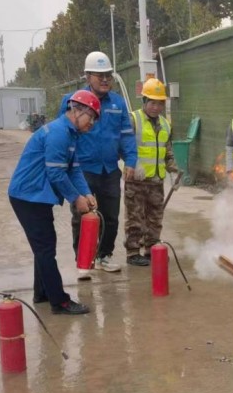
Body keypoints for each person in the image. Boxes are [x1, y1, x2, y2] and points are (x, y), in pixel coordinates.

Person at [9, 90, 101, 315]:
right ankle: (59, 302)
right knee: (45, 249)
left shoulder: (70, 134)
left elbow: (74, 168)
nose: (92, 124)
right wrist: (76, 199)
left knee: (44, 247)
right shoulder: (59, 133)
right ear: (77, 111)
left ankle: (42, 293)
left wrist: (86, 192)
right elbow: (57, 175)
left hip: (35, 196)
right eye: (92, 117)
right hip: (28, 196)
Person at [57, 51, 137, 280]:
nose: (105, 80)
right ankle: (83, 259)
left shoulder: (118, 103)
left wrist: (130, 160)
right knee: (83, 215)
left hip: (109, 169)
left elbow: (126, 134)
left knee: (110, 215)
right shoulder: (72, 100)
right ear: (87, 76)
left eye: (108, 75)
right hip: (82, 169)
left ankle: (104, 256)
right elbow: (64, 131)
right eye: (99, 75)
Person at [124, 78, 179, 266]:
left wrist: (173, 172)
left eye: (160, 103)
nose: (156, 107)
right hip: (136, 179)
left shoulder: (165, 124)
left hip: (156, 180)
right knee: (135, 218)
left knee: (155, 217)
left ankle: (151, 249)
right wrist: (133, 163)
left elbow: (168, 151)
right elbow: (122, 146)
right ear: (144, 101)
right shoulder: (133, 120)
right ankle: (132, 253)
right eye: (152, 102)